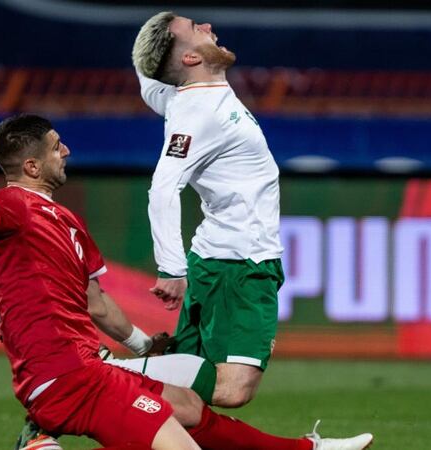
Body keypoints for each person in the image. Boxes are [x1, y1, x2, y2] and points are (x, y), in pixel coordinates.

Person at [0, 87, 373, 450]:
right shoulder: (11, 206)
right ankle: (39, 439)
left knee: (189, 407)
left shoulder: (66, 222)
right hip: (68, 379)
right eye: (55, 146)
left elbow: (96, 303)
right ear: (30, 165)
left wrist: (143, 346)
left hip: (88, 369)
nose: (66, 149)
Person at [132, 11, 285, 410]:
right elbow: (163, 188)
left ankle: (101, 384)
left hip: (218, 260)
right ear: (189, 59)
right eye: (195, 29)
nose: (208, 27)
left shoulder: (185, 97)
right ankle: (101, 376)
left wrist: (146, 54)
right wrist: (170, 267)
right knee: (233, 390)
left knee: (187, 399)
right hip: (238, 266)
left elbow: (151, 82)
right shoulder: (199, 113)